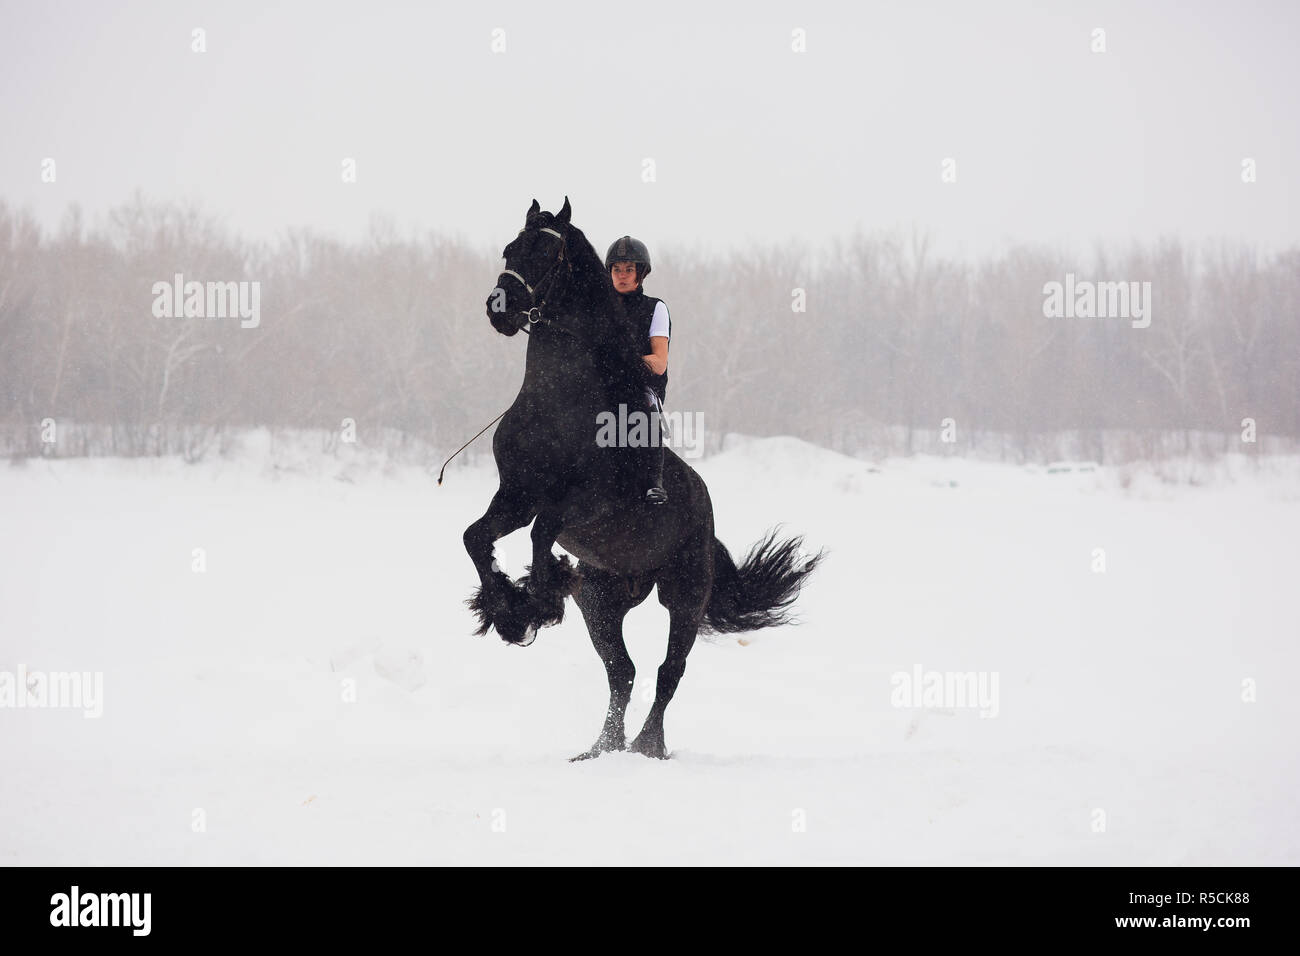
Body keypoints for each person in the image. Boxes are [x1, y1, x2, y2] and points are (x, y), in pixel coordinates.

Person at [605, 235, 670, 504]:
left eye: (629, 269)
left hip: (640, 386)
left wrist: (625, 361)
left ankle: (653, 482)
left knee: (642, 404)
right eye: (617, 269)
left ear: (640, 274)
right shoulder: (597, 309)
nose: (622, 275)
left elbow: (659, 362)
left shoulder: (655, 308)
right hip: (600, 382)